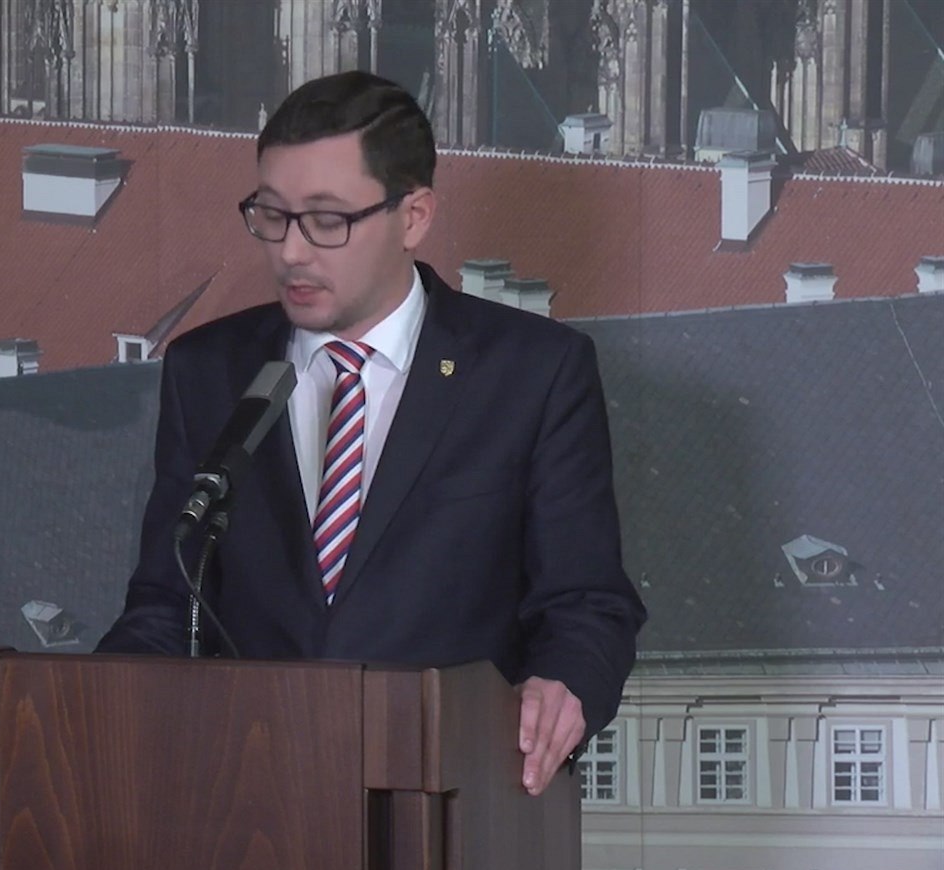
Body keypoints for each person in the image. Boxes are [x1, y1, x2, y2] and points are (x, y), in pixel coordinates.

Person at [95, 70, 647, 797]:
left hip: (452, 800)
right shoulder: (209, 370)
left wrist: (564, 683)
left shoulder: (532, 373)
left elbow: (587, 606)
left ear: (413, 216)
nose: (291, 251)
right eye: (272, 215)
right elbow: (168, 603)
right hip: (245, 805)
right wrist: (88, 710)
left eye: (327, 221)